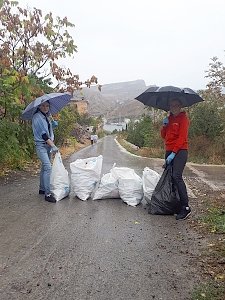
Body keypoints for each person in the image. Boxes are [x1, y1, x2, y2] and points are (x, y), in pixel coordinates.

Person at [161, 98, 191, 220]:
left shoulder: (184, 119)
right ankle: (175, 204)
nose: (173, 108)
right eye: (171, 106)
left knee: (176, 176)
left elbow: (182, 138)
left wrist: (173, 153)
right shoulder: (170, 119)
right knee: (170, 178)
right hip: (169, 150)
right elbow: (164, 136)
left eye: (176, 105)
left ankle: (186, 207)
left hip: (180, 151)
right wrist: (164, 126)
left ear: (180, 106)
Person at [32, 101, 59, 203]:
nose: (45, 107)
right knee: (48, 167)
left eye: (47, 106)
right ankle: (48, 194)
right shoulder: (37, 117)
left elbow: (48, 131)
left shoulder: (46, 116)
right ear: (39, 106)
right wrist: (53, 145)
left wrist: (52, 125)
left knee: (44, 167)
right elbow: (43, 135)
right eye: (43, 105)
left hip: (47, 146)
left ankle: (42, 189)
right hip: (42, 146)